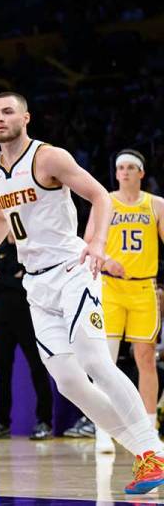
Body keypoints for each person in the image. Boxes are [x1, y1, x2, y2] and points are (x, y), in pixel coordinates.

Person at [0, 92, 164, 494]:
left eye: (7, 112)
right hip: (35, 283)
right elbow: (0, 218)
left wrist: (99, 243)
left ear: (26, 117)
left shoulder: (49, 158)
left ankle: (149, 451)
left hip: (73, 272)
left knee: (96, 362)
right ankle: (145, 452)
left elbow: (100, 196)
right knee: (68, 381)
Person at [94, 149, 164, 452]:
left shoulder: (157, 205)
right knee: (105, 362)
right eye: (119, 167)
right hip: (110, 287)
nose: (123, 172)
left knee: (145, 358)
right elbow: (88, 243)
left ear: (141, 173)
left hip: (144, 288)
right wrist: (107, 261)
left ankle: (149, 431)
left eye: (129, 167)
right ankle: (102, 431)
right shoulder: (105, 201)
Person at [0, 237, 53, 441]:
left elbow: (29, 286)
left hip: (27, 318)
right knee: (2, 371)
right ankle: (2, 422)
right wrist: (13, 279)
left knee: (38, 368)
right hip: (1, 319)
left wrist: (0, 278)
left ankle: (44, 421)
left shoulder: (31, 250)